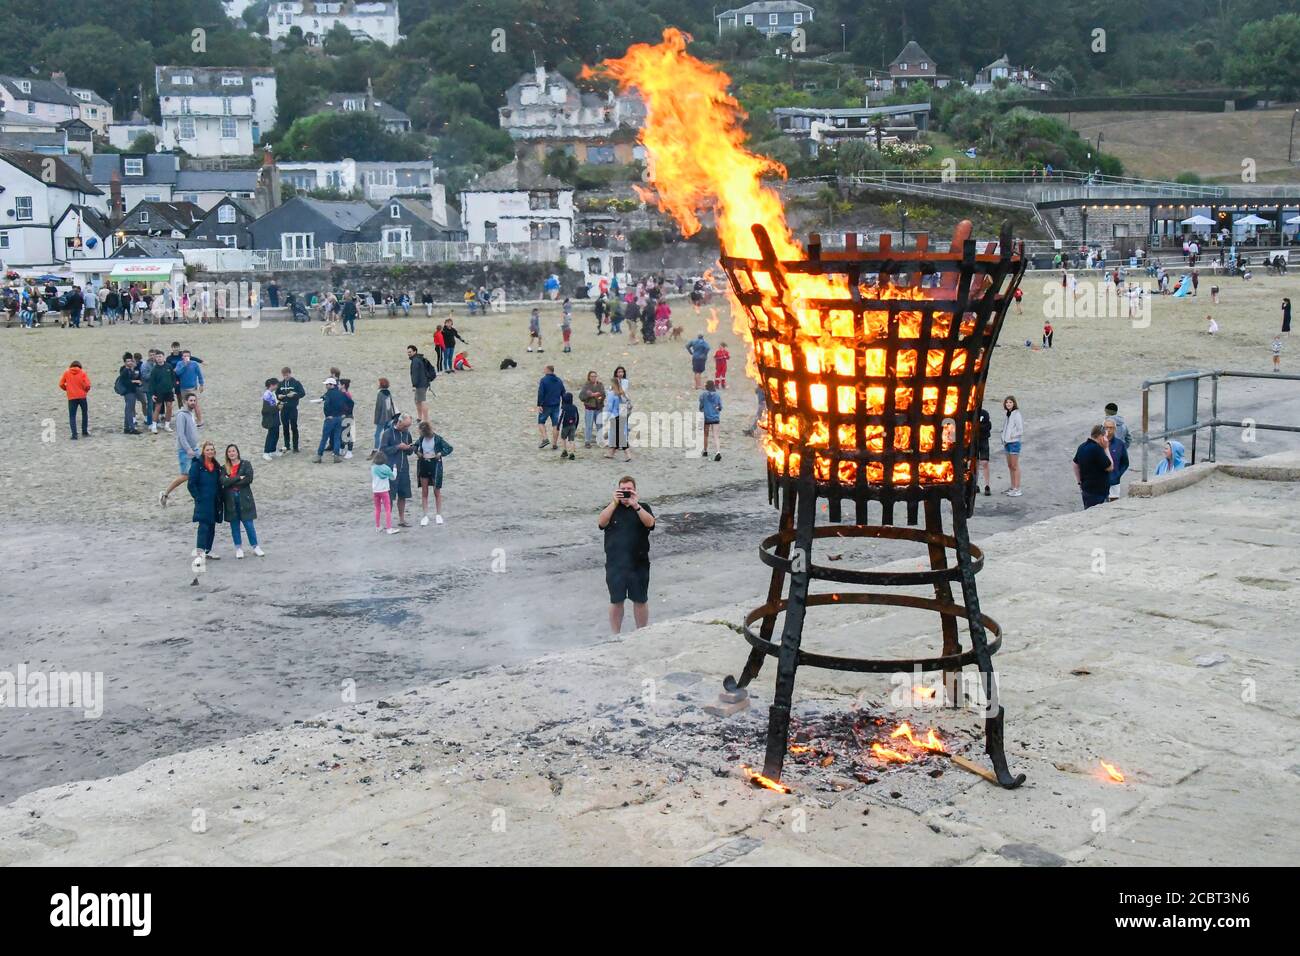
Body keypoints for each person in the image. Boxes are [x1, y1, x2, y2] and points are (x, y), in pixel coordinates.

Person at [598, 476, 656, 635]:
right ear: (617, 491)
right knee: (616, 600)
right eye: (622, 490)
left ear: (635, 491)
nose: (625, 493)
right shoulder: (611, 508)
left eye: (629, 490)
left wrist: (636, 506)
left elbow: (650, 523)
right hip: (615, 563)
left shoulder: (643, 507)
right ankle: (615, 635)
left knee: (640, 599)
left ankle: (642, 633)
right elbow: (601, 523)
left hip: (639, 562)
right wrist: (613, 502)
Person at [220, 444, 262, 558]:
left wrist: (231, 480)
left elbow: (248, 479)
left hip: (244, 498)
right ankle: (238, 548)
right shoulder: (224, 468)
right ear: (227, 454)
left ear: (237, 452)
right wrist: (239, 477)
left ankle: (255, 546)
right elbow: (224, 482)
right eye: (229, 452)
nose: (232, 453)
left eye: (233, 451)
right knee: (234, 525)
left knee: (248, 523)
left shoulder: (246, 464)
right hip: (230, 500)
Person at [160, 393, 201, 505]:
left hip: (195, 448)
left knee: (200, 471)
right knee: (186, 475)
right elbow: (181, 435)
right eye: (191, 400)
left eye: (194, 400)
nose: (193, 402)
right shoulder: (181, 415)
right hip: (185, 450)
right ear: (185, 402)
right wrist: (188, 449)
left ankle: (200, 496)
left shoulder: (191, 414)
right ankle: (165, 493)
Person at [188, 440, 224, 559]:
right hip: (203, 501)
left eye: (212, 449)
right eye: (207, 449)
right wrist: (198, 497)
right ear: (203, 451)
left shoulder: (216, 466)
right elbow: (191, 484)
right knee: (203, 526)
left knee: (212, 526)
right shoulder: (197, 465)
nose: (210, 451)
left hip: (214, 501)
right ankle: (200, 552)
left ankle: (208, 550)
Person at [380, 413, 415, 527]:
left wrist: (410, 448)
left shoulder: (407, 433)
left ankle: (401, 519)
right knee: (389, 496)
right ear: (399, 422)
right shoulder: (387, 433)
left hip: (404, 467)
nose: (406, 429)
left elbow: (410, 451)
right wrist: (397, 447)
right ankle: (388, 521)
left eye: (408, 426)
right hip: (390, 469)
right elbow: (383, 450)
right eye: (405, 426)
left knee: (403, 495)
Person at [415, 420, 453, 525]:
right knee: (424, 492)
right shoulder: (421, 438)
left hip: (435, 465)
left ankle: (438, 515)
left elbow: (449, 448)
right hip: (423, 464)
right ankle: (425, 516)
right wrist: (417, 452)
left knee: (436, 491)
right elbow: (414, 446)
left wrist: (440, 454)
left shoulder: (437, 439)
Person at [1072, 424, 1114, 510]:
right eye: (1105, 436)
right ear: (1101, 437)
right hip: (1098, 492)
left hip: (1086, 489)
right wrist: (1106, 448)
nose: (1107, 439)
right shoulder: (1097, 449)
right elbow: (1110, 467)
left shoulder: (1082, 446)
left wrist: (1079, 482)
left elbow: (1075, 464)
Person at [313, 377, 352, 463]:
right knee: (337, 437)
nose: (326, 386)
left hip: (331, 419)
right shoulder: (341, 393)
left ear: (331, 385)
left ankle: (319, 456)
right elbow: (350, 403)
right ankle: (336, 456)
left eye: (327, 384)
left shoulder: (329, 394)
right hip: (339, 418)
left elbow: (326, 405)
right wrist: (345, 413)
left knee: (324, 437)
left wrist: (327, 415)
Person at [59, 360, 92, 440]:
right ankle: (84, 431)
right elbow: (88, 385)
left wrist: (67, 389)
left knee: (72, 416)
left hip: (71, 397)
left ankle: (74, 434)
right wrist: (85, 391)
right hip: (82, 397)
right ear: (79, 366)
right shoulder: (82, 372)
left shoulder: (67, 373)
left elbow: (61, 384)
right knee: (84, 414)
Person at [275, 367, 306, 453]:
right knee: (285, 427)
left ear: (290, 373)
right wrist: (279, 396)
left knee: (294, 427)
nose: (286, 376)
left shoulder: (296, 383)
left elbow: (302, 393)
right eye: (284, 375)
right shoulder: (280, 384)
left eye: (287, 374)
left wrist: (294, 394)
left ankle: (295, 447)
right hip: (283, 409)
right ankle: (287, 445)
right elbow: (276, 394)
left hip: (293, 408)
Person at [603, 372, 632, 462]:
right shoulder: (621, 393)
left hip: (615, 416)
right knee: (616, 435)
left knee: (619, 436)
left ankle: (628, 454)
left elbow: (609, 407)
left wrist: (606, 417)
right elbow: (627, 401)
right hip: (621, 414)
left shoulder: (612, 394)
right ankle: (611, 453)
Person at [536, 364, 565, 449]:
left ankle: (545, 439)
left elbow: (541, 393)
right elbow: (563, 392)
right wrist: (564, 403)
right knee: (555, 424)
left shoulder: (544, 380)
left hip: (546, 405)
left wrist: (539, 404)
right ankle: (555, 444)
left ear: (548, 370)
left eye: (544, 369)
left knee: (541, 422)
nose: (543, 370)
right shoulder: (559, 380)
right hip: (556, 405)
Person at [174, 350, 205, 426]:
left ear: (190, 357)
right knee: (186, 405)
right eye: (184, 356)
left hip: (192, 388)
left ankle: (200, 420)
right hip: (183, 388)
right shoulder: (179, 364)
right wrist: (184, 365)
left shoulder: (194, 364)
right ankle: (188, 421)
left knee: (195, 404)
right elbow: (177, 372)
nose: (186, 357)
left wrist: (201, 384)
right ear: (182, 357)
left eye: (187, 356)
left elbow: (199, 374)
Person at [371, 450, 398, 534]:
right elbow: (393, 477)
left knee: (377, 509)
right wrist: (394, 469)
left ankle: (378, 526)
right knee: (387, 509)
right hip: (384, 490)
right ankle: (389, 528)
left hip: (375, 491)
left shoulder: (373, 468)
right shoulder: (386, 468)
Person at [115, 353, 143, 435]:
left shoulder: (130, 370)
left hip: (131, 391)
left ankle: (127, 427)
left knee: (129, 409)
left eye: (131, 360)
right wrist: (135, 381)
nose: (130, 362)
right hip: (128, 392)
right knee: (129, 410)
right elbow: (126, 382)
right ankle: (131, 428)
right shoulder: (125, 371)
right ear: (125, 362)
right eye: (128, 361)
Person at [1001, 395, 1023, 497]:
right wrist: (1004, 437)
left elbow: (1020, 430)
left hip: (1014, 443)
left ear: (1014, 403)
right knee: (1010, 466)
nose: (1008, 404)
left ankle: (1017, 488)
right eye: (1007, 402)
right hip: (1007, 443)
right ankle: (1012, 486)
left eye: (1010, 402)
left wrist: (1012, 436)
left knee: (1015, 466)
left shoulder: (1016, 414)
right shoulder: (1007, 414)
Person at [149, 352, 176, 433]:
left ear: (163, 357)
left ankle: (167, 425)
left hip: (168, 391)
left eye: (160, 356)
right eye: (157, 357)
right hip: (158, 392)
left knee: (169, 407)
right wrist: (152, 394)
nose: (159, 358)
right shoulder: (154, 369)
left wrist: (173, 387)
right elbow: (152, 383)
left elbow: (173, 377)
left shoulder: (169, 366)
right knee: (157, 408)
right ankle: (154, 426)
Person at [407, 344, 436, 423]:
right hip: (424, 382)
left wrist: (414, 385)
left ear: (415, 351)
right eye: (408, 352)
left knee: (422, 401)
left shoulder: (415, 361)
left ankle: (425, 419)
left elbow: (415, 374)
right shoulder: (419, 358)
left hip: (420, 384)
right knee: (417, 400)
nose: (408, 353)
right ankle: (420, 418)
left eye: (410, 352)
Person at [579, 371, 606, 449]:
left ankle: (600, 441)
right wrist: (591, 395)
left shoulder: (600, 385)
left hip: (599, 408)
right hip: (589, 409)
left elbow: (603, 395)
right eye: (592, 376)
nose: (593, 378)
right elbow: (581, 396)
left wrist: (598, 396)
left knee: (600, 425)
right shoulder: (586, 385)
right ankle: (587, 441)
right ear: (589, 377)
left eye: (595, 376)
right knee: (589, 425)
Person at [1104, 418, 1129, 501]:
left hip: (1114, 482)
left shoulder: (1119, 444)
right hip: (1100, 482)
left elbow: (1125, 463)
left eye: (1111, 427)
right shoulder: (1098, 443)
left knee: (1113, 505)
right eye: (1106, 427)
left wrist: (1117, 475)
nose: (1108, 430)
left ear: (1115, 429)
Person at [699, 380, 722, 461]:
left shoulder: (703, 395)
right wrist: (716, 408)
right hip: (715, 417)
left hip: (706, 417)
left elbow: (701, 407)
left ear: (706, 387)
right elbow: (720, 408)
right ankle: (718, 452)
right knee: (716, 436)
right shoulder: (717, 396)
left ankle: (705, 451)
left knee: (706, 434)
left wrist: (704, 409)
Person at [373, 377, 396, 449]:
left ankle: (376, 449)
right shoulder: (388, 392)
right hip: (389, 417)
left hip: (382, 418)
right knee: (387, 433)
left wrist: (377, 420)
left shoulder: (380, 394)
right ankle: (387, 447)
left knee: (377, 435)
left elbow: (378, 408)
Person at [261, 379, 280, 460]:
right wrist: (277, 407)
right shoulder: (266, 395)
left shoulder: (272, 393)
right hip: (270, 417)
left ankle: (272, 450)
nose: (277, 386)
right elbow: (266, 409)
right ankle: (266, 452)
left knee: (276, 434)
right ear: (272, 385)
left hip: (275, 415)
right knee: (271, 435)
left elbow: (275, 403)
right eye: (276, 385)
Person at [558, 391, 580, 459]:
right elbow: (577, 417)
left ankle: (565, 451)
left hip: (565, 426)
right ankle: (572, 453)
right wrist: (576, 425)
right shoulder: (574, 407)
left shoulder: (563, 407)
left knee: (563, 438)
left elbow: (561, 417)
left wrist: (558, 426)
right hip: (573, 425)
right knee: (571, 440)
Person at [977, 405, 992, 495]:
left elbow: (988, 426)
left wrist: (979, 428)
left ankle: (987, 485)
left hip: (983, 440)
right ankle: (975, 484)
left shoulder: (984, 413)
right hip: (974, 440)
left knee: (984, 462)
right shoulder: (970, 413)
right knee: (975, 463)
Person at [339, 378, 355, 459]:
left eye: (339, 384)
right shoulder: (342, 394)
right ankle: (341, 449)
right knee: (342, 433)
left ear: (343, 385)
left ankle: (349, 451)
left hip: (347, 416)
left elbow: (350, 405)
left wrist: (345, 413)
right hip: (343, 416)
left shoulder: (346, 395)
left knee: (348, 434)